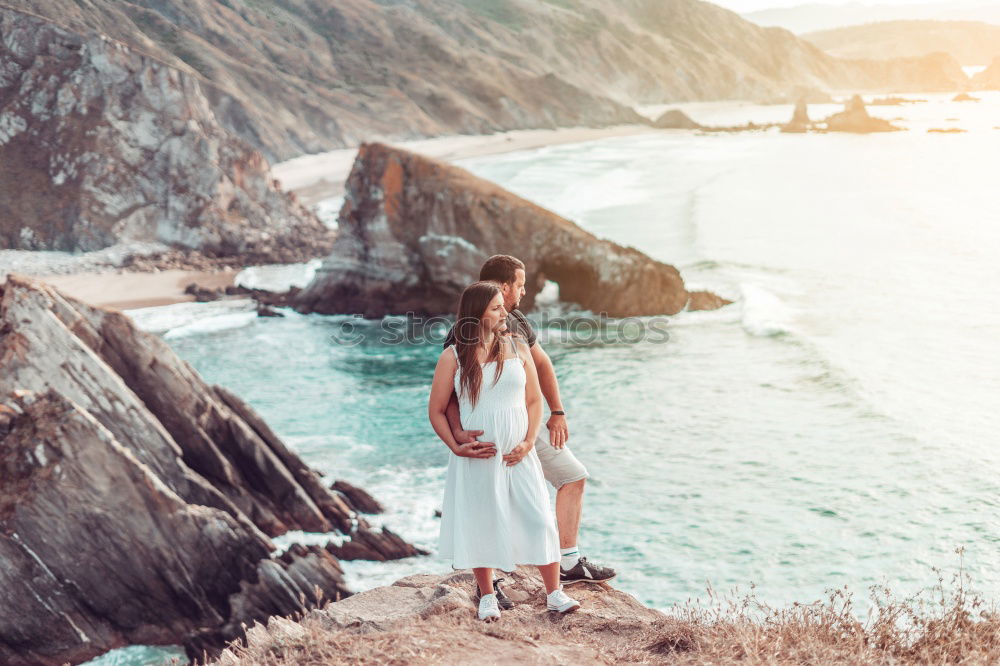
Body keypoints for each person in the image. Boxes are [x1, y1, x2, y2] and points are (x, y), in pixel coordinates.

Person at [441, 255, 615, 610]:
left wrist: (557, 412)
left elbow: (541, 366)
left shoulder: (516, 322)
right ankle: (491, 585)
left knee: (571, 477)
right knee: (491, 503)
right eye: (520, 285)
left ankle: (566, 563)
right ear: (503, 289)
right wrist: (458, 434)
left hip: (525, 425)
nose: (523, 291)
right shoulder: (460, 336)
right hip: (490, 430)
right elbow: (454, 392)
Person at [429, 281, 581, 621]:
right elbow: (436, 409)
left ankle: (555, 593)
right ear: (477, 313)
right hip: (478, 455)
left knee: (539, 519)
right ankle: (487, 597)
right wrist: (457, 447)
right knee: (481, 520)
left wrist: (528, 442)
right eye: (497, 307)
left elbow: (532, 400)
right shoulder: (453, 356)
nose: (505, 312)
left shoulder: (516, 345)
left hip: (518, 454)